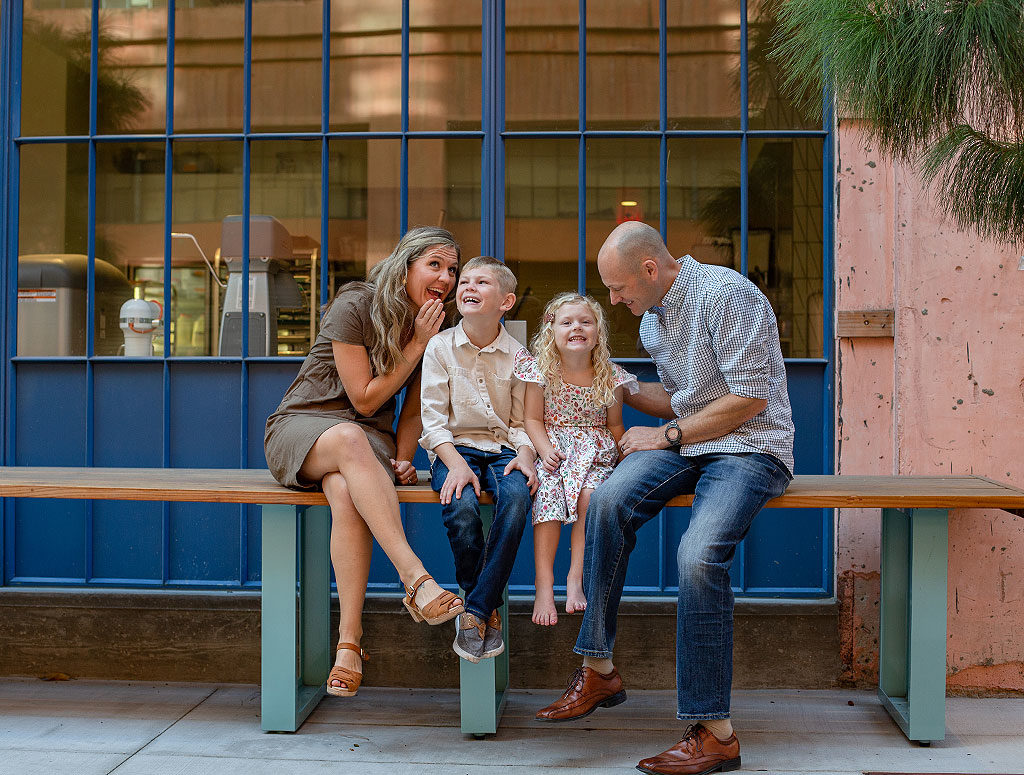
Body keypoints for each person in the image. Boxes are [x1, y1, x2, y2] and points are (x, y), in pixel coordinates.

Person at [535, 221, 794, 775]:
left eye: (618, 287)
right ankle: (599, 668)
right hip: (694, 443)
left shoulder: (728, 293)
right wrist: (614, 384)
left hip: (751, 448)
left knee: (697, 556)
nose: (613, 299)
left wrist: (668, 434)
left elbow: (749, 399)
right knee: (606, 500)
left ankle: (714, 733)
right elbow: (681, 397)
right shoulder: (654, 320)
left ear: (650, 269)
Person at [264, 227, 466, 699]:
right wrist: (415, 345)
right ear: (406, 265)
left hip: (364, 443)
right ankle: (416, 579)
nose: (446, 277)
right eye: (434, 265)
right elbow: (363, 396)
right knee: (350, 437)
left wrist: (399, 458)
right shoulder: (355, 303)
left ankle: (349, 644)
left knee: (343, 490)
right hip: (303, 425)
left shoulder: (434, 330)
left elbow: (414, 410)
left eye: (453, 269)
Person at [419, 255, 538, 662]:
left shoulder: (520, 355)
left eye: (481, 282)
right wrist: (455, 464)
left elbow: (523, 421)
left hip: (505, 449)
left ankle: (475, 609)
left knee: (519, 498)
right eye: (464, 281)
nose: (467, 286)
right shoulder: (440, 347)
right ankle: (484, 605)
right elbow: (432, 422)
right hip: (455, 449)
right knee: (462, 506)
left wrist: (525, 453)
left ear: (506, 301)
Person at [513, 293, 637, 626]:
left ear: (598, 331)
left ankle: (574, 578)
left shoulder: (609, 376)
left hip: (595, 452)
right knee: (548, 495)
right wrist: (543, 449)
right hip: (555, 448)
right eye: (566, 322)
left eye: (585, 321)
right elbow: (532, 420)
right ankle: (543, 585)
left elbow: (614, 426)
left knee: (590, 497)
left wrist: (624, 460)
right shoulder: (541, 370)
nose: (576, 328)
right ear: (551, 330)